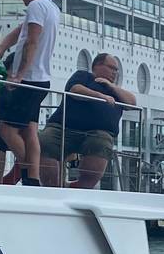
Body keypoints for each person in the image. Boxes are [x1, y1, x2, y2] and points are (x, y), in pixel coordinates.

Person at [0, 0, 59, 186]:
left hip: (30, 79)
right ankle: (31, 178)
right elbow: (22, 31)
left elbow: (31, 41)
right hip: (42, 78)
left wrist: (19, 75)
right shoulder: (51, 7)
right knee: (29, 129)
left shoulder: (35, 6)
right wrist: (1, 48)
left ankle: (29, 170)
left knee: (6, 129)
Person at [39, 52, 135, 189]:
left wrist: (111, 86)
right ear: (97, 66)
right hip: (63, 127)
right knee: (45, 141)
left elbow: (132, 103)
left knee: (100, 145)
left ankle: (80, 188)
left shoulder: (116, 91)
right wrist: (100, 96)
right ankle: (53, 186)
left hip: (99, 132)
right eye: (111, 68)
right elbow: (75, 89)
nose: (115, 72)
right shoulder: (83, 76)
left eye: (116, 70)